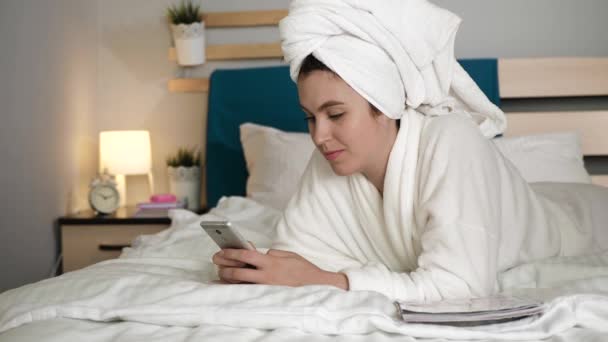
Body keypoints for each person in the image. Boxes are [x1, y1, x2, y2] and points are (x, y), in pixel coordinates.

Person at [212, 0, 599, 301]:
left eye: (335, 114)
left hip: (582, 223)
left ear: (385, 106)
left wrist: (330, 281)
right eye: (310, 118)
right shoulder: (329, 159)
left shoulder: (452, 140)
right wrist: (260, 269)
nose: (319, 135)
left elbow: (461, 288)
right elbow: (301, 255)